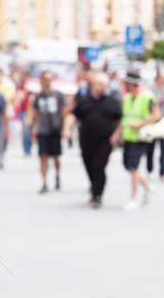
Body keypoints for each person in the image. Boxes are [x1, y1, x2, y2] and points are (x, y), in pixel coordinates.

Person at [62, 73, 122, 208]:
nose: (104, 88)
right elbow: (72, 115)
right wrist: (66, 128)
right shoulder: (84, 101)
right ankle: (94, 187)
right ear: (93, 85)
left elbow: (121, 120)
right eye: (101, 84)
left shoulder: (111, 101)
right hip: (86, 141)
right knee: (89, 166)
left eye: (105, 85)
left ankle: (97, 195)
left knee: (98, 167)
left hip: (105, 141)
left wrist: (116, 134)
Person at [110, 70, 162, 212]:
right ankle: (148, 187)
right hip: (128, 136)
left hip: (141, 136)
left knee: (133, 167)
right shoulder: (127, 98)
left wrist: (141, 123)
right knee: (128, 165)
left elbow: (157, 114)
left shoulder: (147, 96)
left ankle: (133, 198)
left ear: (132, 84)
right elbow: (124, 118)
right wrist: (117, 133)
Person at [31, 71, 67, 193]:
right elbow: (35, 113)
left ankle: (57, 175)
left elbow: (64, 112)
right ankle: (44, 182)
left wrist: (64, 127)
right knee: (43, 156)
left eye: (49, 79)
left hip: (55, 129)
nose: (47, 82)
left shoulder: (58, 95)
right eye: (45, 79)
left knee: (56, 156)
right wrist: (32, 128)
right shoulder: (38, 96)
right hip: (42, 130)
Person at [146, 72, 164, 181]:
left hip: (162, 122)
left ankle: (162, 172)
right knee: (150, 148)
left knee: (163, 149)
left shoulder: (163, 91)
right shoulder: (149, 91)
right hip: (152, 122)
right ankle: (149, 169)